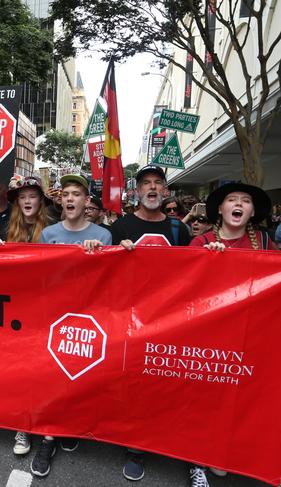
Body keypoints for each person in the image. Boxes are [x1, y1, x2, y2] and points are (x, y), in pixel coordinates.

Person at [188, 182, 275, 487]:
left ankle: (221, 453)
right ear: (221, 210)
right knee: (205, 400)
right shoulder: (201, 242)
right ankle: (197, 461)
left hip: (249, 337)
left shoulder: (264, 242)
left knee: (237, 399)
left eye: (246, 201)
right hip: (210, 338)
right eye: (232, 200)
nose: (239, 204)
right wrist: (207, 263)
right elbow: (186, 291)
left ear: (251, 212)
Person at [110, 165, 191, 482]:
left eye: (159, 183)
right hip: (129, 321)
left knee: (160, 384)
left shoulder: (178, 231)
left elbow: (192, 275)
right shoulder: (120, 226)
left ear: (166, 192)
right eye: (147, 183)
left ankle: (160, 438)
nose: (153, 188)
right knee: (132, 386)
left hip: (167, 321)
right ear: (138, 191)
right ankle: (135, 447)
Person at [29, 174, 111, 478]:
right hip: (54, 318)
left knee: (79, 376)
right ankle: (49, 438)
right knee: (53, 378)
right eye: (66, 194)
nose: (71, 199)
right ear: (61, 200)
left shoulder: (103, 236)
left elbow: (108, 281)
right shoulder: (48, 233)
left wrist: (97, 257)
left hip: (88, 319)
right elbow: (40, 275)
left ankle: (71, 426)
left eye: (77, 194)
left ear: (86, 200)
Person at [0, 175, 50, 457]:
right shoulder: (7, 230)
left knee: (45, 371)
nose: (27, 201)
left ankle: (51, 425)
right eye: (22, 197)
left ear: (41, 201)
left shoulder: (53, 230)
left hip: (47, 311)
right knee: (21, 368)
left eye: (32, 196)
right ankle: (22, 426)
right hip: (17, 312)